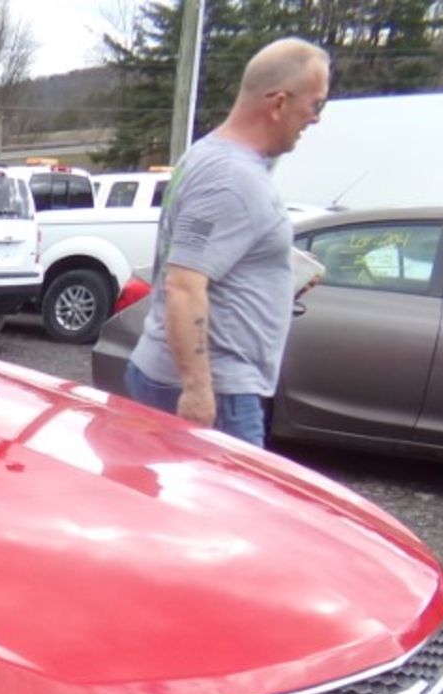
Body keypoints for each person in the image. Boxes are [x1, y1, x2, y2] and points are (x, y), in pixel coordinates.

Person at [126, 38, 331, 445]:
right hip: (217, 394)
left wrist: (276, 274)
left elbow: (204, 253)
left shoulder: (210, 155)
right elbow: (184, 285)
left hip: (200, 383)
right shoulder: (230, 178)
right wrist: (198, 391)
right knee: (227, 510)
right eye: (315, 105)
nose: (316, 119)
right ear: (277, 104)